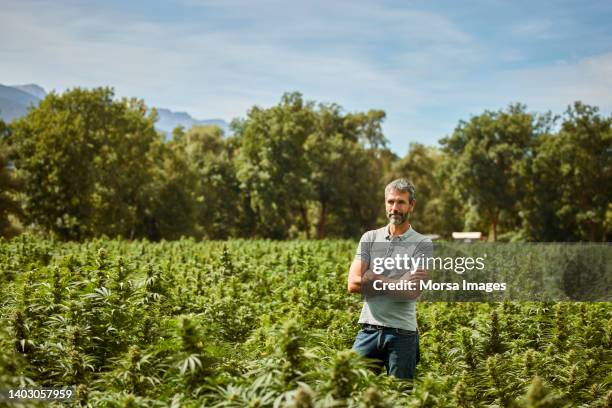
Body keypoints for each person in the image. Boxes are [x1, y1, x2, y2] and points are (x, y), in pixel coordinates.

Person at [347, 178, 433, 380]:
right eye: (391, 201)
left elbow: (412, 290)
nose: (395, 207)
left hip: (402, 335)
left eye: (401, 202)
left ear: (411, 205)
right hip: (368, 330)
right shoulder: (369, 238)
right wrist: (396, 281)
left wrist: (373, 278)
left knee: (400, 397)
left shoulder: (422, 243)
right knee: (351, 388)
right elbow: (352, 284)